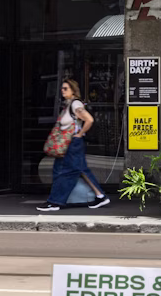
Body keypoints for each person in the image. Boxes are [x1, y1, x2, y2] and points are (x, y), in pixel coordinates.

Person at [37, 79, 110, 211]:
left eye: (65, 88)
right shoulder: (69, 104)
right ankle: (100, 196)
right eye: (62, 88)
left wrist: (80, 133)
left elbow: (89, 119)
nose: (62, 91)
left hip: (72, 143)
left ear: (73, 90)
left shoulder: (75, 105)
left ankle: (55, 202)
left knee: (65, 172)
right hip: (71, 143)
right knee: (77, 169)